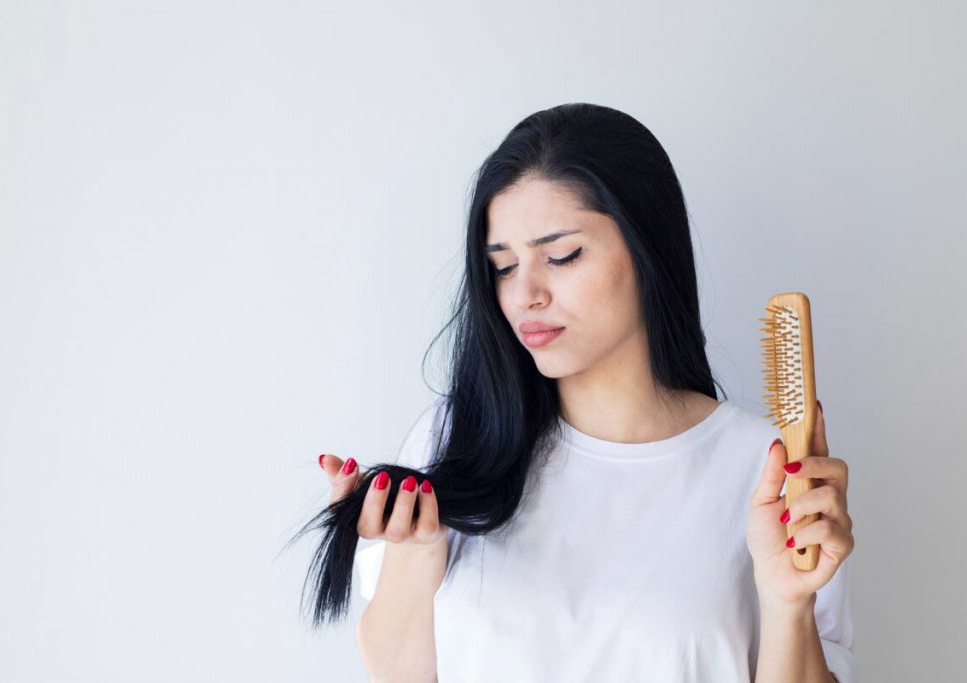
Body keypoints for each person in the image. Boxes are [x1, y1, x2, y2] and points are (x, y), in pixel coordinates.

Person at [305, 103, 856, 682]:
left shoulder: (770, 472)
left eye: (561, 256)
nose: (525, 295)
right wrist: (415, 550)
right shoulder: (454, 440)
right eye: (503, 267)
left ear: (649, 250)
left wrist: (787, 605)